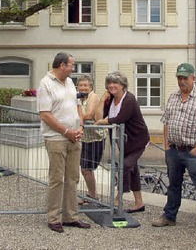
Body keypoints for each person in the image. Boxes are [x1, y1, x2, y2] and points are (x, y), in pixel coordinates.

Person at [151, 63, 196, 241]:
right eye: (179, 78)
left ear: (193, 78)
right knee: (173, 184)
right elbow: (166, 121)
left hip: (193, 151)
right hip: (174, 149)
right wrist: (167, 146)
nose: (182, 81)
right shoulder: (173, 96)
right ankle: (169, 216)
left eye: (185, 78)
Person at [38, 52, 91, 233]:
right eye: (71, 65)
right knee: (57, 179)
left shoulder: (69, 82)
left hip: (74, 137)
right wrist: (67, 131)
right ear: (62, 65)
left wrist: (81, 125)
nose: (73, 68)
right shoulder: (45, 84)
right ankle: (53, 217)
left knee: (72, 178)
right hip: (56, 139)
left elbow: (77, 104)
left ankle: (71, 216)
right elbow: (45, 114)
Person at [95, 71, 150, 214]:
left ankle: (118, 198)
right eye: (109, 83)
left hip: (137, 140)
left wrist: (103, 122)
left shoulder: (129, 99)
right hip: (124, 142)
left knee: (125, 166)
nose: (112, 85)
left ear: (123, 85)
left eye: (115, 83)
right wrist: (102, 100)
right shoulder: (111, 100)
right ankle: (139, 203)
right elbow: (99, 116)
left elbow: (120, 118)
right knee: (133, 171)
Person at [76, 75, 105, 203]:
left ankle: (93, 196)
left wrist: (75, 115)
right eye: (80, 85)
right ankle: (91, 194)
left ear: (91, 87)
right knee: (85, 169)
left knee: (86, 169)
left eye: (85, 85)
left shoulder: (93, 97)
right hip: (84, 138)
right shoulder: (80, 99)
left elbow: (89, 115)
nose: (83, 88)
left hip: (95, 138)